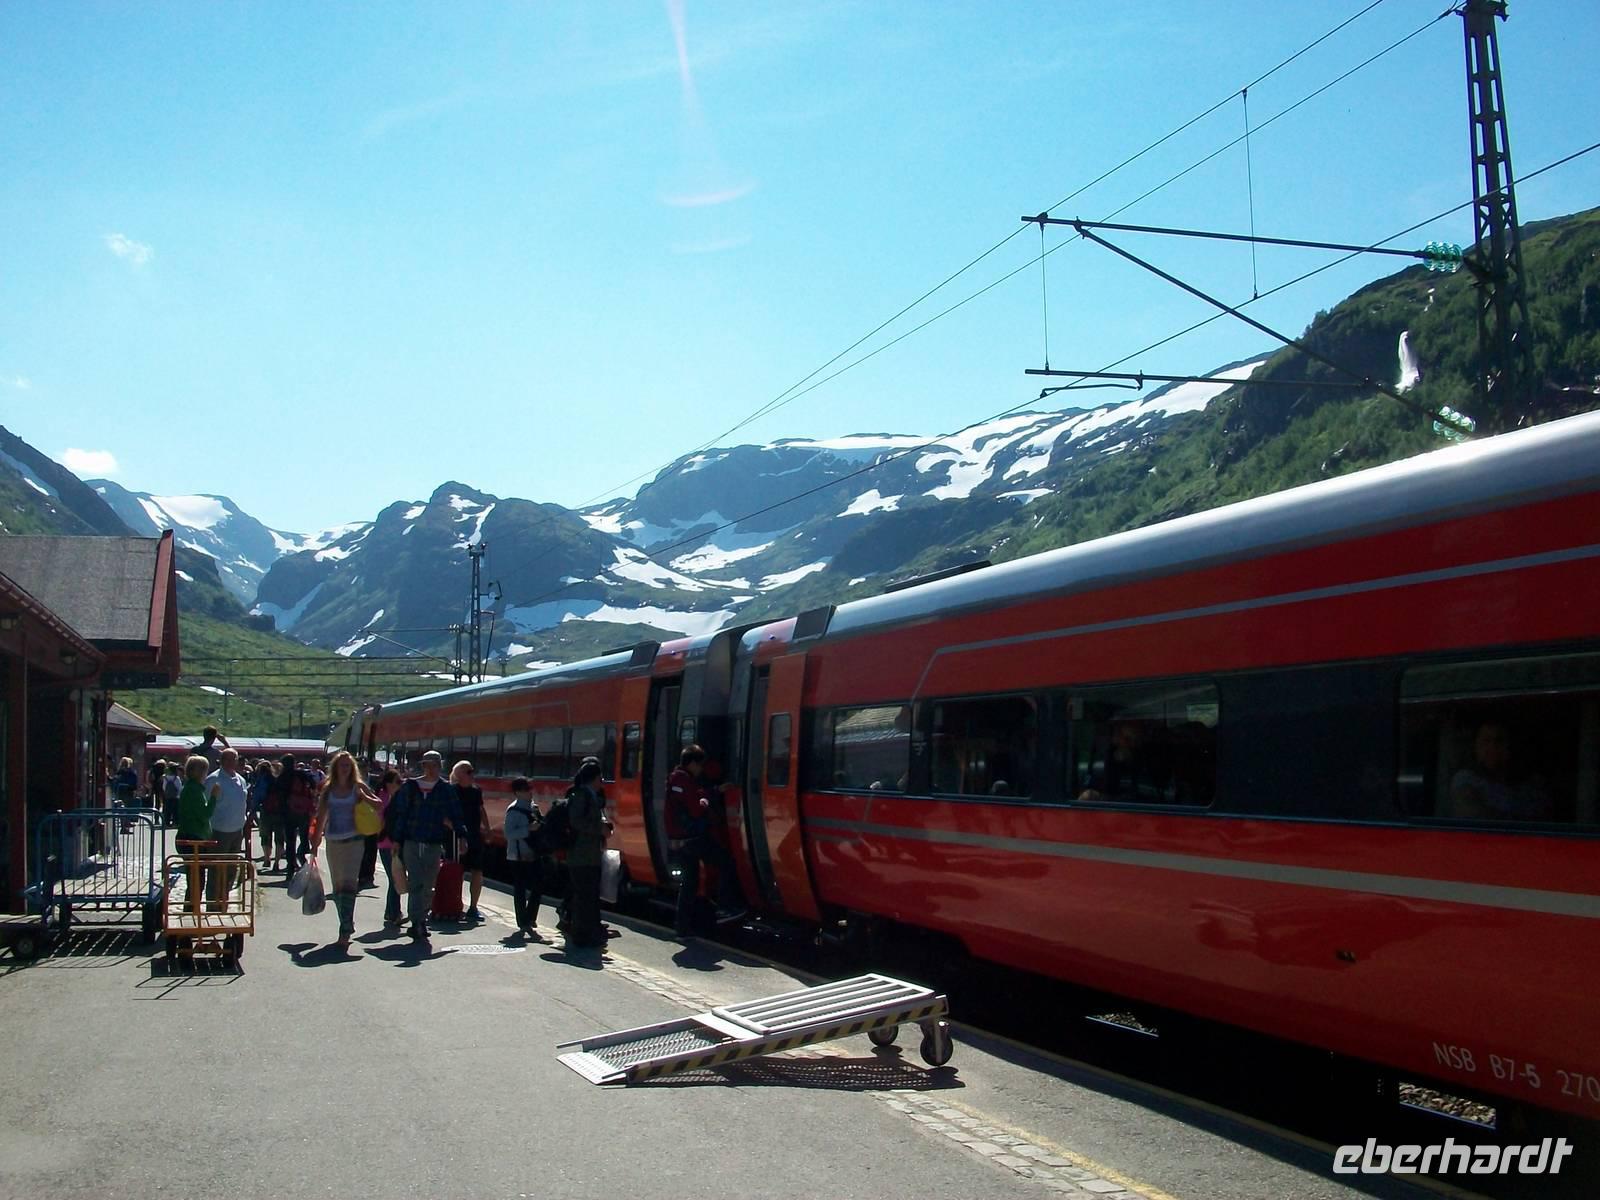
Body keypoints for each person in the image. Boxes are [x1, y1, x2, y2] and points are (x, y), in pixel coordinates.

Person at [385, 750, 466, 946]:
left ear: (440, 766)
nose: (430, 769)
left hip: (433, 841)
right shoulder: (410, 787)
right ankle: (417, 922)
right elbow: (399, 814)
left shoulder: (445, 789)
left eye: (434, 765)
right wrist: (396, 839)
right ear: (422, 766)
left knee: (429, 883)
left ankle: (420, 917)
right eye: (426, 765)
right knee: (415, 882)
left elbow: (456, 813)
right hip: (412, 840)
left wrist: (462, 836)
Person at [666, 745, 748, 936]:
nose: (701, 769)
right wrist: (705, 801)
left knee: (689, 884)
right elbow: (696, 807)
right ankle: (725, 908)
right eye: (700, 765)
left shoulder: (676, 778)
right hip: (693, 838)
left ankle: (682, 929)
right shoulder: (684, 780)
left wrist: (713, 791)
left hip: (681, 839)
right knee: (725, 862)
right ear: (692, 763)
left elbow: (694, 797)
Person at [309, 751, 381, 951]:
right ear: (335, 768)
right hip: (333, 841)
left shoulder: (357, 786)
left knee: (350, 885)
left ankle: (345, 929)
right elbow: (321, 816)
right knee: (338, 886)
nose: (345, 768)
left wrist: (363, 797)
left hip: (354, 840)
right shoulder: (328, 789)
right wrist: (315, 844)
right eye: (341, 765)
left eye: (348, 766)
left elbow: (379, 804)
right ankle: (346, 921)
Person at [1450, 719, 1554, 821]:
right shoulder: (1465, 780)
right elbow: (1475, 819)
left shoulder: (1533, 783)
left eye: (1499, 741)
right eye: (1486, 741)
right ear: (1476, 747)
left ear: (1510, 745)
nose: (1492, 747)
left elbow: (1543, 818)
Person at [564, 758, 609, 950]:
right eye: (600, 778)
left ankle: (587, 933)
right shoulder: (581, 795)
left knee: (589, 896)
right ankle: (581, 936)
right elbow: (576, 821)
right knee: (584, 896)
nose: (602, 782)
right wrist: (599, 829)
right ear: (594, 778)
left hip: (588, 854)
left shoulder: (589, 795)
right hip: (581, 854)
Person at [204, 749, 250, 909]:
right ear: (222, 761)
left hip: (237, 830)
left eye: (235, 759)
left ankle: (224, 901)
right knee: (216, 870)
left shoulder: (241, 780)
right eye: (229, 759)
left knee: (231, 869)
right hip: (219, 830)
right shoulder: (213, 780)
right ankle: (212, 904)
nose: (232, 762)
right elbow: (208, 805)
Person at [502, 777, 545, 936]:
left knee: (538, 885)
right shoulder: (513, 810)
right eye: (527, 789)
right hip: (518, 855)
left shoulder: (534, 808)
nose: (530, 792)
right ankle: (523, 921)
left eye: (530, 788)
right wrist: (528, 829)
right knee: (520, 888)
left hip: (533, 853)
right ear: (518, 792)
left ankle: (530, 917)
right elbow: (508, 833)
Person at [449, 760, 491, 923]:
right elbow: (445, 815)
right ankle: (455, 905)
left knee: (477, 871)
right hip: (456, 836)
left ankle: (473, 907)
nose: (473, 775)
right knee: (456, 872)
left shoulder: (476, 791)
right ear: (459, 775)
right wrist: (458, 833)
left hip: (474, 835)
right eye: (469, 771)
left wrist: (487, 829)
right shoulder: (451, 791)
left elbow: (481, 810)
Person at [174, 755, 215, 914]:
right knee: (196, 879)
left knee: (195, 878)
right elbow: (205, 813)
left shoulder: (192, 788)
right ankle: (190, 912)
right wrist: (214, 798)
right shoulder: (193, 790)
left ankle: (191, 910)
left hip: (192, 836)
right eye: (205, 770)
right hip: (193, 839)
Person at [373, 768, 406, 928]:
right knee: (395, 879)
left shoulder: (392, 797)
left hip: (390, 843)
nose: (400, 785)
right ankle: (394, 913)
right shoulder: (384, 798)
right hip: (388, 843)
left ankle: (390, 911)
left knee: (394, 878)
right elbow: (381, 821)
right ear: (388, 783)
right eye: (397, 782)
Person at [275, 754, 318, 875]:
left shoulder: (282, 777)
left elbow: (277, 793)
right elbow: (314, 785)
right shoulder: (302, 774)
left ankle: (290, 866)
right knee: (304, 837)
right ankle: (302, 856)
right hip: (303, 811)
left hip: (287, 811)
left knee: (290, 840)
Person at [249, 759, 277, 868]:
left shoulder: (261, 780)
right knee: (279, 837)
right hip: (279, 811)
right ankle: (277, 860)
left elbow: (258, 796)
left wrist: (252, 810)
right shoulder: (276, 779)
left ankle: (267, 858)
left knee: (266, 836)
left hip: (266, 810)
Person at [161, 763, 183, 828]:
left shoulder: (165, 778)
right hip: (175, 797)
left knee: (167, 810)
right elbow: (179, 788)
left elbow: (164, 787)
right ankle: (175, 823)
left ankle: (166, 823)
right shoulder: (176, 778)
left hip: (167, 797)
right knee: (175, 811)